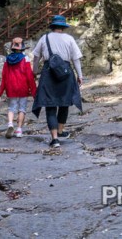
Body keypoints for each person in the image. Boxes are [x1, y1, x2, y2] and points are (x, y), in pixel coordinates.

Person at [31, 14, 83, 148]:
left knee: (50, 105)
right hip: (66, 73)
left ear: (53, 26)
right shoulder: (69, 39)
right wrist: (80, 75)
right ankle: (60, 130)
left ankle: (55, 139)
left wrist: (35, 71)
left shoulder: (45, 38)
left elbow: (36, 57)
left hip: (48, 73)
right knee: (64, 103)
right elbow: (75, 58)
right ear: (63, 27)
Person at [0, 37, 36, 138]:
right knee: (22, 109)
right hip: (23, 87)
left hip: (11, 87)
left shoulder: (6, 59)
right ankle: (19, 130)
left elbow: (4, 75)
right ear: (22, 49)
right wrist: (34, 90)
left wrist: (1, 90)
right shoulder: (25, 58)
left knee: (11, 108)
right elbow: (29, 76)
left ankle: (10, 124)